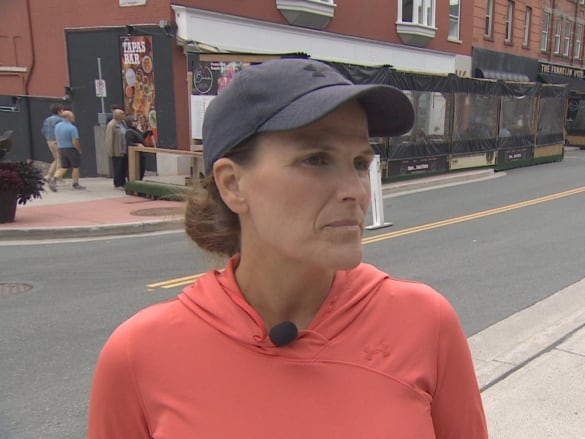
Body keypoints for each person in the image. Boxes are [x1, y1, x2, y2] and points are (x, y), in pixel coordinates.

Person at [87, 58, 487, 438]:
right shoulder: (139, 356)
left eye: (360, 162)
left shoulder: (425, 325)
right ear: (232, 184)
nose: (355, 191)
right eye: (315, 159)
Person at [51, 110, 85, 190]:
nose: (73, 117)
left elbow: (56, 137)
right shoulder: (72, 128)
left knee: (64, 167)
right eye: (72, 116)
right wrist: (79, 149)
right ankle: (75, 183)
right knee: (76, 166)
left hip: (61, 148)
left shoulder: (57, 126)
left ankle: (54, 178)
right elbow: (75, 141)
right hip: (71, 149)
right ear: (68, 117)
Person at [41, 103, 64, 186]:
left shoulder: (47, 119)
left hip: (49, 140)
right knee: (60, 159)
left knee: (56, 159)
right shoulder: (60, 120)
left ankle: (49, 175)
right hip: (57, 141)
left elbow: (43, 130)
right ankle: (56, 178)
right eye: (62, 110)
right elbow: (61, 131)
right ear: (59, 111)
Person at [105, 109, 128, 188]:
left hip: (125, 149)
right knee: (118, 167)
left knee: (124, 167)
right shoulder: (112, 125)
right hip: (117, 150)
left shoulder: (123, 123)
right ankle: (118, 183)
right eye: (122, 114)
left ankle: (123, 182)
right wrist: (110, 152)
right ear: (118, 116)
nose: (124, 115)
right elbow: (109, 139)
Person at [124, 115, 147, 180]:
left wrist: (147, 132)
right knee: (135, 170)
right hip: (134, 155)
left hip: (140, 153)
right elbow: (129, 143)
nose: (136, 122)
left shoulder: (137, 130)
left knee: (141, 169)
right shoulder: (129, 132)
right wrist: (137, 145)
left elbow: (141, 138)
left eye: (137, 121)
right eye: (134, 121)